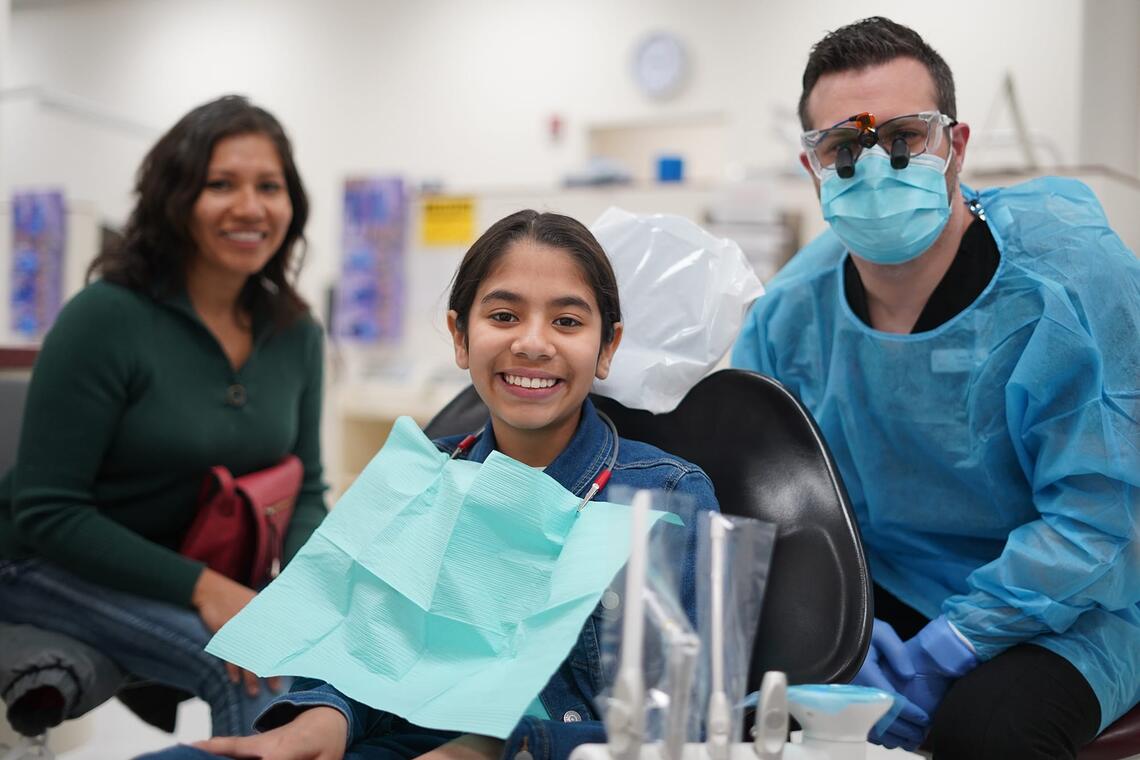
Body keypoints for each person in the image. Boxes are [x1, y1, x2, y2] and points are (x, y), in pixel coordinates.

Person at [139, 209, 720, 760]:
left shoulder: (665, 499)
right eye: (503, 316)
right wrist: (324, 717)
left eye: (567, 321)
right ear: (460, 337)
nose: (533, 343)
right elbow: (360, 654)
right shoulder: (419, 478)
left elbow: (685, 727)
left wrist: (498, 747)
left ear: (607, 346)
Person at [732, 16, 1140, 760]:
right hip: (884, 600)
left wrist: (954, 643)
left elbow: (1104, 517)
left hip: (1083, 606)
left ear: (956, 144)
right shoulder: (790, 316)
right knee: (753, 708)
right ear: (812, 165)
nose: (876, 165)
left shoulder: (1069, 282)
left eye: (904, 138)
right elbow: (767, 499)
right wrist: (836, 630)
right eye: (844, 147)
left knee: (989, 733)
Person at [0, 95, 328, 736]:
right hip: (37, 561)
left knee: (326, 666)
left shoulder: (297, 333)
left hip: (174, 565)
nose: (250, 207)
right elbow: (48, 510)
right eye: (220, 185)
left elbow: (308, 488)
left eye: (269, 186)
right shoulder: (105, 317)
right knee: (263, 675)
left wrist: (309, 597)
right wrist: (204, 587)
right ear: (175, 199)